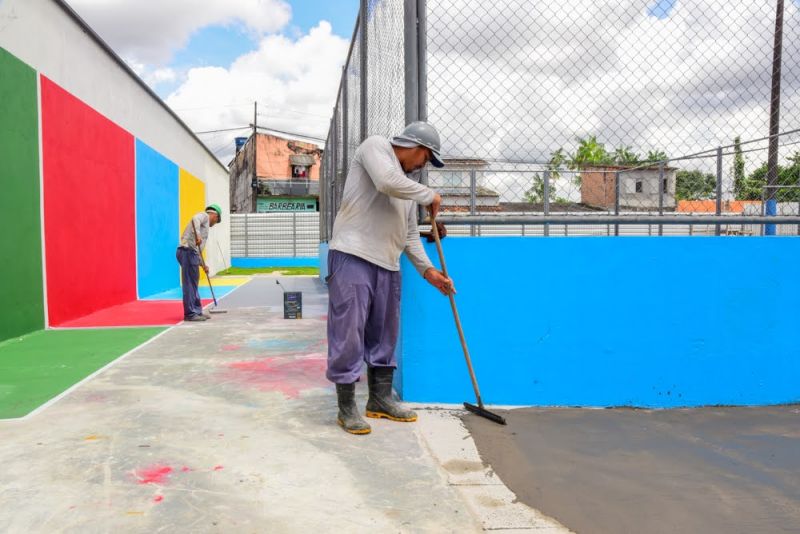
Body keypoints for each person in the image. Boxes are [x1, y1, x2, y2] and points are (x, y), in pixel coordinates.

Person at [327, 121, 455, 435]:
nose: (424, 166)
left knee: (384, 335)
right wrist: (428, 195)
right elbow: (385, 182)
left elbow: (410, 235)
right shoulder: (375, 147)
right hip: (353, 255)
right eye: (426, 158)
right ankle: (346, 407)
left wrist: (429, 271)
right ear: (416, 147)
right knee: (349, 333)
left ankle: (380, 400)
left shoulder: (409, 186)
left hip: (388, 264)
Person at [176, 204, 222, 322]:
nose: (214, 224)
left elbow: (197, 251)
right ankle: (190, 313)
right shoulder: (205, 216)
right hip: (187, 251)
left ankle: (197, 311)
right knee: (190, 284)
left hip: (191, 253)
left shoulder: (205, 224)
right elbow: (195, 219)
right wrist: (198, 234)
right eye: (216, 221)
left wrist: (203, 264)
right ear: (215, 216)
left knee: (194, 284)